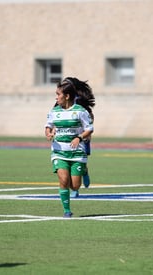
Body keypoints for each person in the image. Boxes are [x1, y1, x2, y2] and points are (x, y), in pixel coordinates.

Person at [45, 77, 94, 217]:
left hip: (77, 150)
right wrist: (49, 132)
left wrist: (80, 137)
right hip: (59, 151)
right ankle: (67, 211)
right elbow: (48, 125)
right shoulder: (55, 109)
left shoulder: (80, 109)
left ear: (67, 95)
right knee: (64, 180)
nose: (56, 97)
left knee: (75, 186)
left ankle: (84, 169)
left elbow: (90, 126)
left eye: (58, 94)